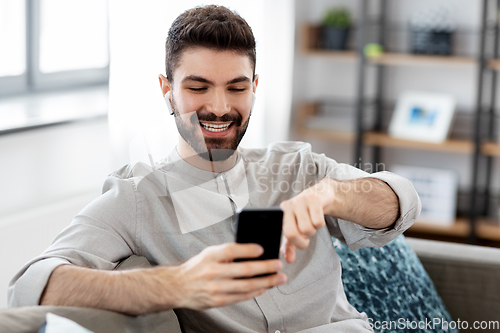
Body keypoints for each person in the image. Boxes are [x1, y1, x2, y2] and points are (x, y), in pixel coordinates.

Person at [8, 5, 421, 333]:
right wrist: (178, 284)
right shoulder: (136, 197)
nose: (220, 108)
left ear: (255, 87)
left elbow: (402, 201)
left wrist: (333, 193)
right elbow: (28, 287)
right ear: (167, 90)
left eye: (237, 88)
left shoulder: (297, 166)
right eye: (198, 87)